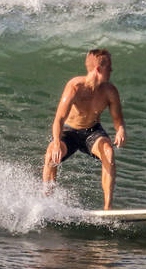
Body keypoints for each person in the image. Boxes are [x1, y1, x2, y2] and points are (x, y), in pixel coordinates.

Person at [42, 48, 126, 209]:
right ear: (98, 69)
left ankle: (108, 207)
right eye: (109, 67)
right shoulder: (75, 87)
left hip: (92, 132)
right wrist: (57, 142)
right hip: (69, 131)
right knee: (51, 154)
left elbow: (118, 119)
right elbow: (59, 119)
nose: (111, 70)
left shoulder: (110, 91)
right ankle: (46, 203)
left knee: (108, 151)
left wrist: (120, 129)